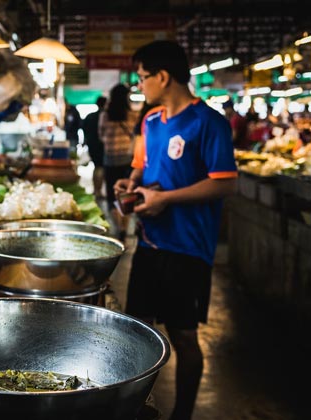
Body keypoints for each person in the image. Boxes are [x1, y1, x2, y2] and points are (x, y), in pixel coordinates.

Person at [114, 40, 236, 420]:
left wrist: (167, 199)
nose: (140, 85)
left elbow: (223, 183)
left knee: (183, 335)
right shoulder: (150, 121)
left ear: (163, 76)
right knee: (137, 331)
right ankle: (135, 408)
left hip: (188, 248)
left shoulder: (210, 122)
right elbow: (142, 168)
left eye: (143, 77)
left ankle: (182, 414)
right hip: (150, 243)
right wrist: (129, 186)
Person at [99, 84, 138, 209]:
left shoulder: (105, 115)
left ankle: (118, 224)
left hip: (110, 158)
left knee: (112, 192)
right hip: (127, 158)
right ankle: (125, 223)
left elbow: (101, 134)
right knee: (126, 192)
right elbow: (135, 135)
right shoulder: (132, 114)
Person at [81, 95, 107, 199]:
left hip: (91, 145)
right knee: (100, 168)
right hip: (102, 146)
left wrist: (85, 142)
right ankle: (99, 191)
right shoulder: (106, 116)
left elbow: (83, 129)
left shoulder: (90, 116)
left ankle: (96, 190)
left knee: (96, 167)